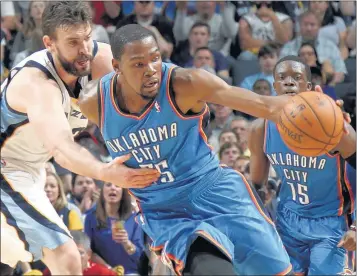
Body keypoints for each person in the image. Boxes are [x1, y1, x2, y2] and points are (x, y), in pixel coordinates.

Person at [79, 24, 295, 275]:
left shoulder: (185, 84)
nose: (151, 70)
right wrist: (102, 171)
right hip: (164, 211)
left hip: (215, 192)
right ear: (117, 67)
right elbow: (63, 144)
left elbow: (264, 106)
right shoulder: (93, 103)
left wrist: (314, 105)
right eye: (139, 64)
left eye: (155, 58)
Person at [0, 2, 160, 275]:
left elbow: (154, 93)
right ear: (49, 43)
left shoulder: (99, 60)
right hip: (7, 170)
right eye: (73, 42)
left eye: (87, 37)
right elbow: (62, 150)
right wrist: (104, 171)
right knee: (67, 259)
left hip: (31, 169)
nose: (84, 49)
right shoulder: (37, 85)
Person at [248, 55, 356, 275]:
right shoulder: (260, 129)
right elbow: (257, 186)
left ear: (309, 87)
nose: (289, 82)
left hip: (332, 223)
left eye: (297, 77)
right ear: (274, 86)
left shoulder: (334, 126)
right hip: (287, 221)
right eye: (282, 77)